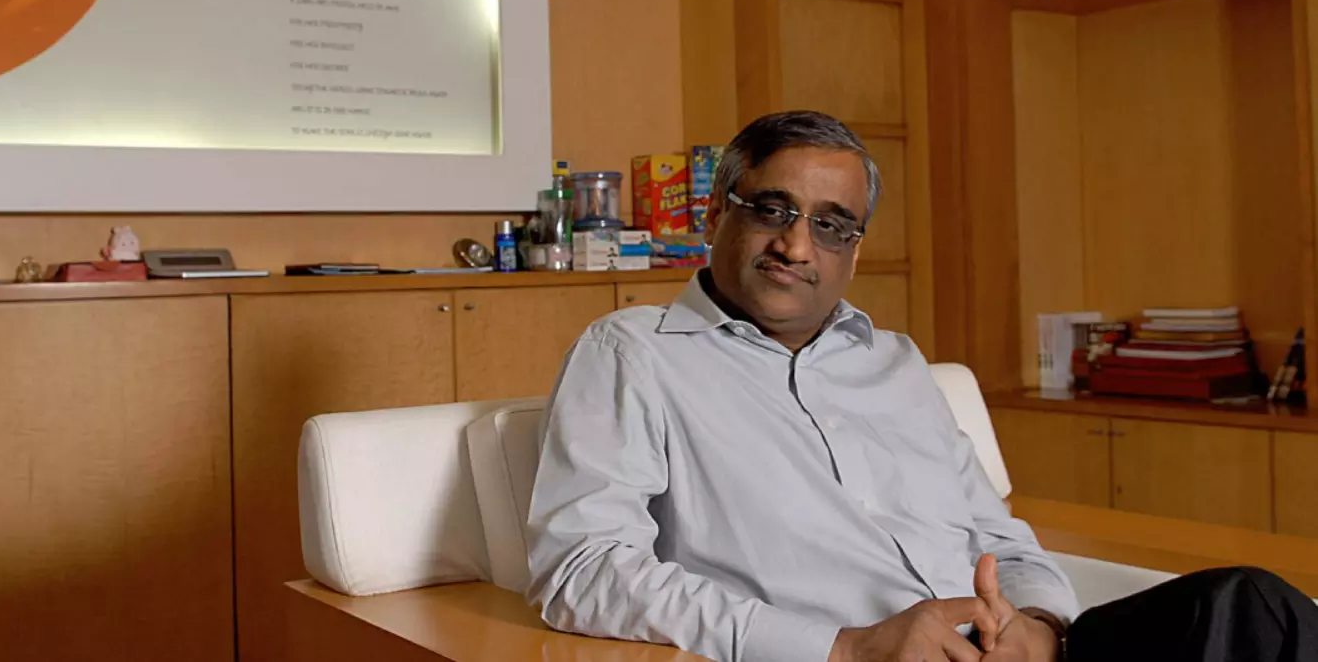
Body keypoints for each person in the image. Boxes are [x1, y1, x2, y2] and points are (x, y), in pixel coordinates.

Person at [526, 110, 1318, 662]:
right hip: (840, 658)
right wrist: (843, 648)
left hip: (1001, 650)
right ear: (714, 215)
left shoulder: (896, 365)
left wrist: (1040, 626)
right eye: (772, 209)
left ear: (855, 250)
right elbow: (581, 570)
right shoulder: (634, 354)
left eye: (831, 224)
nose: (796, 245)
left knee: (1250, 608)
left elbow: (998, 539)